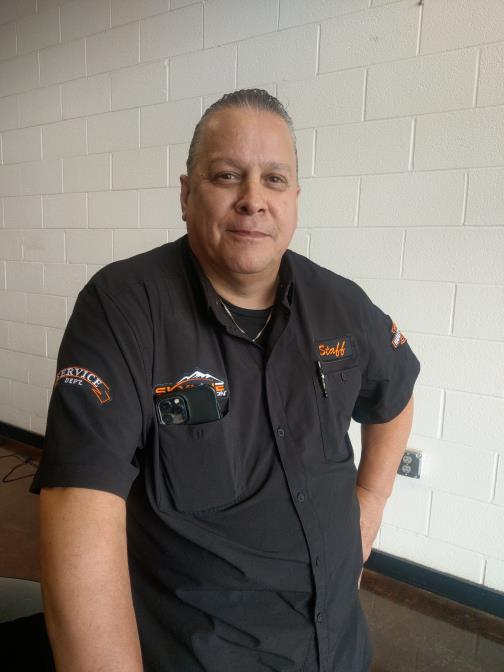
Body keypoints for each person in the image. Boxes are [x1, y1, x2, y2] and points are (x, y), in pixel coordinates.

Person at [31, 89, 419, 672]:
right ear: (186, 194)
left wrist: (372, 500)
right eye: (227, 175)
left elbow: (396, 394)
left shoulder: (341, 303)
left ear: (294, 199)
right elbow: (79, 512)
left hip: (339, 648)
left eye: (274, 179)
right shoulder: (124, 308)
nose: (253, 200)